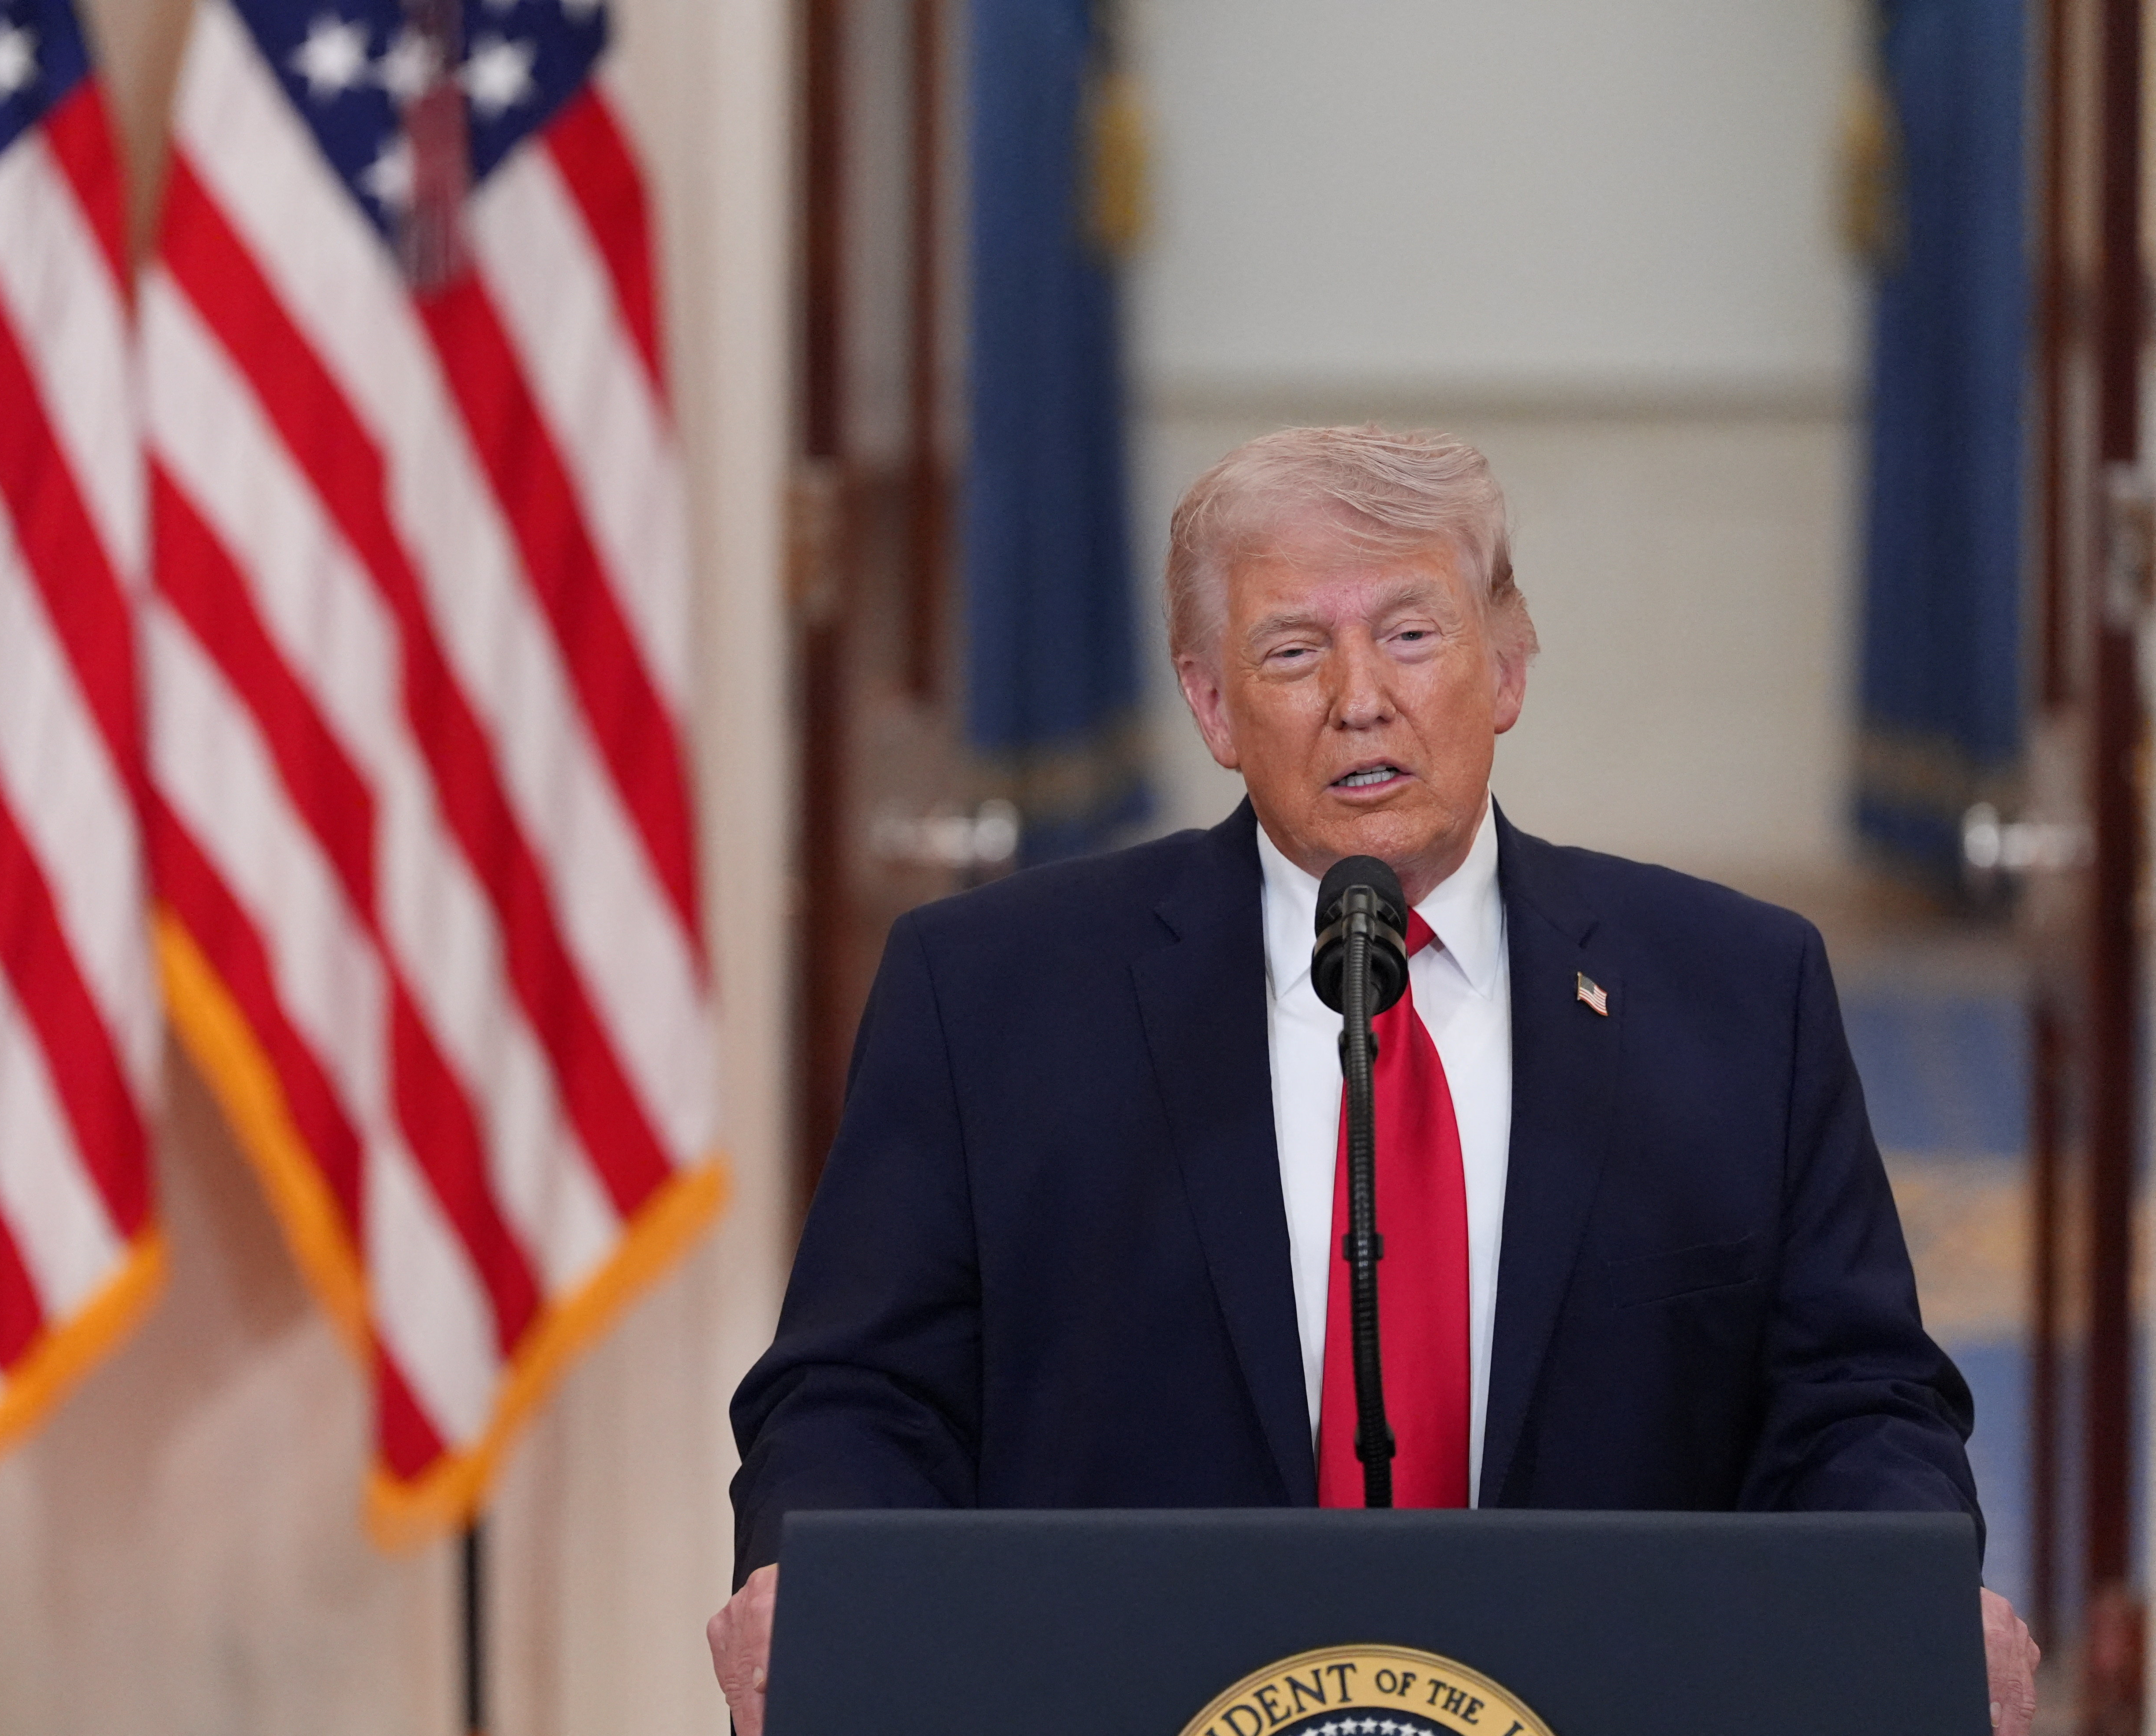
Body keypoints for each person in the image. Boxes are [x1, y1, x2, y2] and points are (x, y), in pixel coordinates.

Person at [707, 427, 2039, 1734]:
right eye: (1292, 650)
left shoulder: (1739, 991)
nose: (1360, 697)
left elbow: (1857, 1397)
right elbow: (860, 1394)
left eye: (1411, 635)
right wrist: (813, 1581)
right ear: (1212, 705)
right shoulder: (989, 994)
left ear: (1507, 667)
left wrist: (1903, 1585)